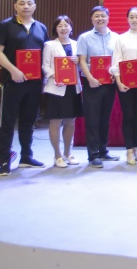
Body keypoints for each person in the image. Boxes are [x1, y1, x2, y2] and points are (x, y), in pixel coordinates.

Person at [0, 0, 49, 175]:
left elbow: (46, 54)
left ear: (35, 6)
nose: (26, 6)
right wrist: (13, 70)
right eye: (22, 3)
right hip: (12, 82)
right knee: (8, 122)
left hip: (34, 83)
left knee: (28, 121)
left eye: (29, 3)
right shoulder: (5, 26)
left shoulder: (41, 28)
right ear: (15, 6)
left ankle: (26, 157)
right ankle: (4, 161)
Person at [77, 6, 120, 168]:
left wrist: (115, 74)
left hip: (110, 84)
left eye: (103, 16)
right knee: (92, 119)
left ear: (108, 18)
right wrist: (90, 78)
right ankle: (93, 155)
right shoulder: (85, 37)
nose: (100, 19)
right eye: (97, 16)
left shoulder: (116, 37)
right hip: (92, 84)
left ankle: (103, 150)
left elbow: (118, 60)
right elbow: (82, 60)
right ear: (92, 19)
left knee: (104, 119)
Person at [42, 15, 83, 168]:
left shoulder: (77, 44)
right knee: (55, 121)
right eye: (60, 25)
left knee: (70, 121)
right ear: (56, 29)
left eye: (66, 25)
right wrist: (56, 76)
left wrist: (79, 62)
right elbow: (45, 66)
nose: (64, 28)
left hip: (73, 88)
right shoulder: (49, 45)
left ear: (71, 28)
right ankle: (57, 155)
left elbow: (82, 66)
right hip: (56, 88)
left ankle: (68, 152)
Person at [112, 7, 137, 165]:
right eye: (132, 17)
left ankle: (135, 148)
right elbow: (116, 61)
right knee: (128, 115)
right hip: (125, 80)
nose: (134, 20)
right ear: (127, 19)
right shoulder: (121, 39)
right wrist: (119, 82)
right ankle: (128, 150)